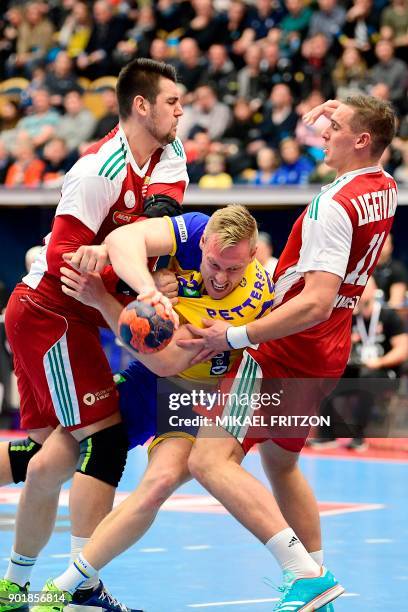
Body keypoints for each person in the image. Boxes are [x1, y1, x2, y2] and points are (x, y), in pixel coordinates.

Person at [31, 205, 332, 611]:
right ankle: (23, 581)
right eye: (215, 265)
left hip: (196, 396)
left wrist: (104, 300)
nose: (222, 278)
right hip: (148, 381)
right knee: (53, 452)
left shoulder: (247, 298)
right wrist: (149, 287)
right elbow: (123, 239)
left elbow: (167, 360)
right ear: (203, 242)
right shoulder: (191, 233)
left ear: (254, 257)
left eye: (234, 270)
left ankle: (66, 586)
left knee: (157, 484)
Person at [175, 95, 398, 611]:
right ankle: (319, 583)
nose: (323, 131)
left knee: (209, 460)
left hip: (285, 349)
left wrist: (232, 335)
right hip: (328, 352)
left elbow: (315, 302)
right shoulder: (382, 186)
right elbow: (330, 300)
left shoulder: (331, 206)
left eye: (334, 126)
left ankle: (306, 575)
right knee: (282, 462)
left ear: (362, 140)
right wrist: (345, 111)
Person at [0, 58, 187, 611]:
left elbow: (158, 222)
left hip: (73, 312)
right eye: (172, 102)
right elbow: (61, 258)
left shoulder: (171, 151)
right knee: (103, 438)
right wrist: (131, 285)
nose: (182, 111)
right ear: (141, 105)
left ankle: (14, 586)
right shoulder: (96, 169)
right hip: (49, 312)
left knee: (41, 457)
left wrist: (138, 269)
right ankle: (80, 583)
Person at [312, 276, 408, 450]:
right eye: (359, 288)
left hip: (384, 372)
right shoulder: (350, 317)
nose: (361, 292)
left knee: (367, 379)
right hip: (356, 368)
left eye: (365, 287)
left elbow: (402, 350)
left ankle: (358, 437)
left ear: (374, 290)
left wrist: (379, 362)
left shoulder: (389, 316)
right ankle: (327, 435)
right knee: (325, 380)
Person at [373, 233, 408, 308]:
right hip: (365, 313)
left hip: (388, 315)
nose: (380, 245)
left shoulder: (398, 269)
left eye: (384, 242)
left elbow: (396, 303)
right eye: (378, 241)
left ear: (391, 247)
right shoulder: (365, 268)